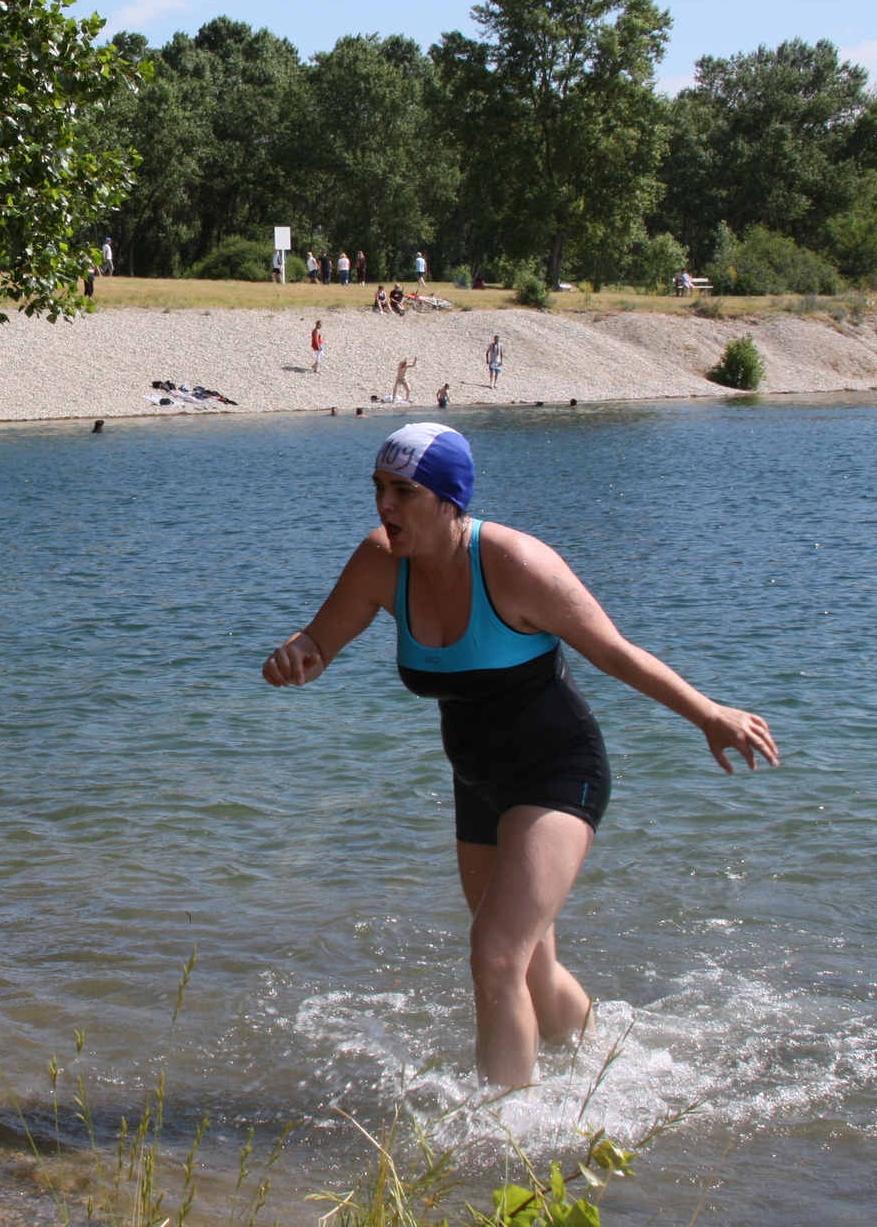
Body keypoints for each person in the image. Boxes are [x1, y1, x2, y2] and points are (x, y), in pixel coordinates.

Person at [260, 424, 777, 1087]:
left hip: (558, 772)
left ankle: (503, 1125)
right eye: (379, 488)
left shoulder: (514, 564)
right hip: (478, 781)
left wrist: (709, 714)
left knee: (496, 954)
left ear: (449, 500)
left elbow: (615, 654)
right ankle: (610, 1077)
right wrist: (296, 656)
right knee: (529, 964)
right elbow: (319, 641)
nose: (385, 504)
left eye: (403, 491)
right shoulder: (380, 562)